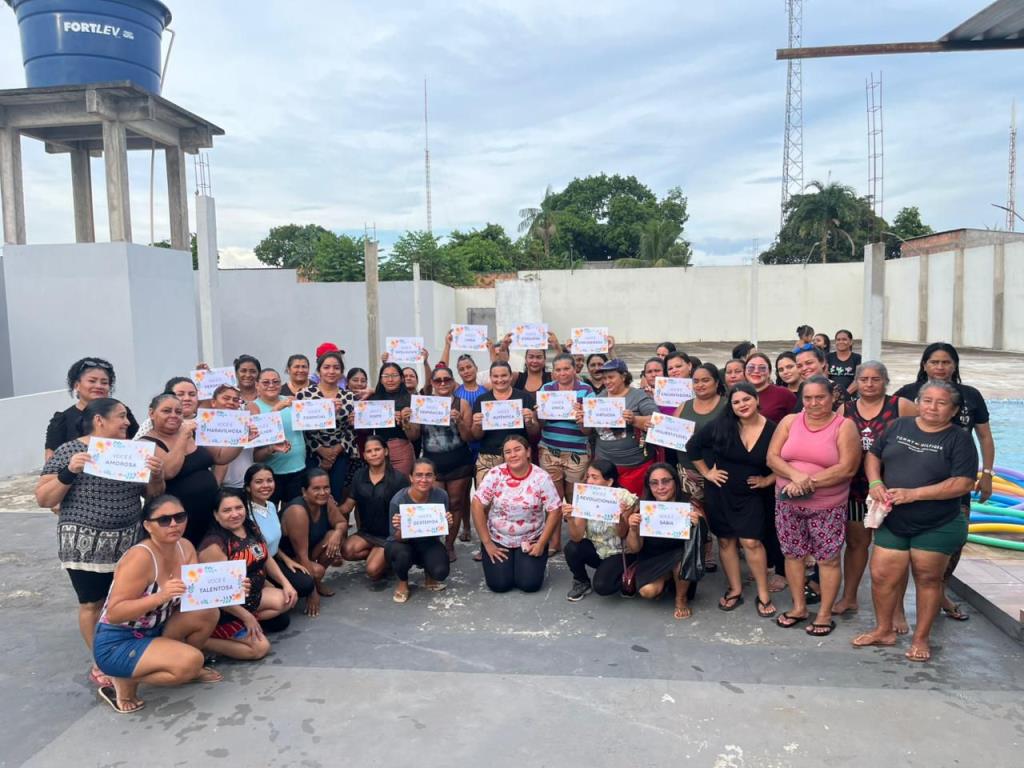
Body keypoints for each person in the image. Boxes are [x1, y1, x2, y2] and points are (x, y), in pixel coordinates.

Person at [36, 398, 165, 690]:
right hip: (85, 546)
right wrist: (69, 471)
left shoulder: (133, 452)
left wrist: (156, 476)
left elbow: (153, 496)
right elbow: (44, 498)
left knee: (125, 600)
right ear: (99, 420)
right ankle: (101, 661)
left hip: (128, 541)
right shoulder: (70, 450)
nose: (127, 422)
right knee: (92, 603)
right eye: (121, 416)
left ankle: (124, 653)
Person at [854, 380, 979, 662]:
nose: (932, 407)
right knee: (881, 575)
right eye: (927, 400)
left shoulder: (959, 438)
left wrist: (914, 494)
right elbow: (873, 455)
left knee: (927, 578)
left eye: (941, 402)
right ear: (918, 402)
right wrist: (875, 481)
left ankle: (921, 639)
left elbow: (963, 483)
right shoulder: (899, 426)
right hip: (893, 519)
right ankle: (884, 630)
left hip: (936, 523)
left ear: (953, 410)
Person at [893, 341, 996, 620]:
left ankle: (940, 591)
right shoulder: (907, 394)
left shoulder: (970, 396)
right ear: (924, 365)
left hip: (957, 478)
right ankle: (898, 605)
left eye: (946, 362)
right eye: (934, 362)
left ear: (955, 365)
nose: (940, 367)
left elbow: (984, 436)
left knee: (954, 540)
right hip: (912, 477)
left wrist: (987, 474)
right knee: (902, 547)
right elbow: (890, 432)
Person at [91, 495, 221, 714]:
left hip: (157, 627)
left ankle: (173, 662)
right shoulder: (141, 557)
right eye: (164, 520)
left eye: (180, 517)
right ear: (147, 525)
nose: (174, 524)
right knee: (190, 663)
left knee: (208, 612)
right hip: (119, 639)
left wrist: (232, 588)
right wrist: (160, 597)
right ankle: (122, 679)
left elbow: (197, 594)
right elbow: (114, 613)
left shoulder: (185, 547)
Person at [767, 375, 860, 636]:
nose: (814, 403)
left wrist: (807, 483)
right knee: (793, 555)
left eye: (820, 397)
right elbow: (772, 458)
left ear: (833, 397)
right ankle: (798, 607)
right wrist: (796, 477)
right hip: (787, 502)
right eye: (808, 398)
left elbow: (847, 468)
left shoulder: (844, 426)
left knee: (828, 559)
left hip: (827, 506)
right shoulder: (789, 421)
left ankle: (824, 614)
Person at [833, 361, 916, 622]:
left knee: (894, 550)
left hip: (892, 487)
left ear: (885, 381)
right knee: (856, 543)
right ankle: (849, 597)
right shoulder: (845, 409)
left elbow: (923, 435)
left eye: (875, 379)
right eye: (864, 379)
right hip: (856, 486)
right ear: (856, 382)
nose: (869, 384)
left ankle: (897, 608)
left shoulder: (901, 406)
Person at [687, 383, 778, 617]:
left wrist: (768, 480)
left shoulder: (773, 429)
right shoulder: (721, 424)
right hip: (720, 492)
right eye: (736, 402)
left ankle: (763, 593)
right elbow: (693, 446)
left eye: (746, 399)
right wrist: (707, 473)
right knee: (726, 541)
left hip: (752, 495)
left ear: (757, 400)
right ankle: (735, 589)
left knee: (752, 542)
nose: (742, 405)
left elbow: (787, 459)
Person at [199, 490, 297, 660]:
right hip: (226, 609)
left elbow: (265, 556)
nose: (235, 514)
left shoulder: (250, 526)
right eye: (227, 510)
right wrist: (246, 617)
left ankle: (247, 626)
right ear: (216, 515)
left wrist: (286, 583)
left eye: (239, 508)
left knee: (288, 599)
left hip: (251, 597)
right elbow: (218, 595)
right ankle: (202, 642)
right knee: (260, 649)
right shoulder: (214, 545)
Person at [140, 392, 242, 545]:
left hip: (209, 510)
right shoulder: (146, 443)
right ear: (151, 413)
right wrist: (182, 437)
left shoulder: (193, 433)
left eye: (178, 412)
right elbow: (169, 471)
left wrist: (242, 439)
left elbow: (220, 457)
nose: (173, 415)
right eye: (166, 411)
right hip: (180, 517)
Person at [472, 435, 562, 593]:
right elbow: (477, 504)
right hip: (499, 537)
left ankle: (528, 560)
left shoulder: (541, 477)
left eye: (517, 450)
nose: (513, 455)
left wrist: (541, 543)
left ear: (528, 452)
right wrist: (487, 543)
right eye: (508, 452)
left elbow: (554, 509)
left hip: (530, 537)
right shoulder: (495, 474)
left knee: (529, 585)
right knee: (499, 585)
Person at [625, 463, 704, 619]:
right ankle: (667, 577)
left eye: (666, 481)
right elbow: (634, 548)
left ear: (675, 481)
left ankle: (681, 598)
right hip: (652, 558)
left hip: (682, 559)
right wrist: (633, 529)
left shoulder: (689, 505)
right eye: (654, 483)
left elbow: (703, 544)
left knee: (681, 560)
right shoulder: (644, 508)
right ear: (649, 486)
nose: (660, 487)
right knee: (647, 592)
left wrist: (698, 525)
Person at [243, 463, 314, 631]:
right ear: (248, 487)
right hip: (255, 568)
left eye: (269, 480)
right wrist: (268, 583)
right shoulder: (245, 514)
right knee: (281, 622)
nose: (265, 485)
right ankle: (241, 620)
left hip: (274, 559)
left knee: (306, 583)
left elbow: (272, 542)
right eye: (259, 482)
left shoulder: (271, 506)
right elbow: (256, 551)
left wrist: (287, 559)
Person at [537, 352, 595, 554]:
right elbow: (540, 423)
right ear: (553, 372)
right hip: (549, 450)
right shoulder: (547, 389)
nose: (562, 373)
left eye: (566, 369)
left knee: (574, 497)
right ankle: (554, 542)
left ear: (574, 369)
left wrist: (583, 418)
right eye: (558, 369)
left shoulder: (586, 391)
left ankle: (578, 540)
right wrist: (539, 412)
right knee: (553, 498)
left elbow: (588, 430)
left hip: (577, 451)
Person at [673, 363, 727, 571]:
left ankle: (730, 549)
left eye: (705, 380)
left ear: (716, 382)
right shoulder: (684, 406)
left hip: (719, 471)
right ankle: (705, 552)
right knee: (697, 515)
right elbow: (671, 433)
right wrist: (656, 427)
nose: (700, 385)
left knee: (719, 514)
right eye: (696, 381)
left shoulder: (726, 405)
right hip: (688, 470)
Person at [418, 366, 475, 560]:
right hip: (432, 464)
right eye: (438, 380)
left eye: (446, 379)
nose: (442, 383)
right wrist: (408, 422)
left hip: (459, 462)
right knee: (435, 505)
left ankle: (449, 545)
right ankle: (434, 545)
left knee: (456, 503)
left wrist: (460, 421)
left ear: (452, 381)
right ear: (432, 383)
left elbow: (469, 437)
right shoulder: (423, 403)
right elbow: (414, 435)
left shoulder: (462, 403)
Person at [561, 459, 637, 601]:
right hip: (597, 548)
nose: (589, 481)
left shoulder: (624, 497)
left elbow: (622, 533)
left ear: (609, 482)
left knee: (603, 587)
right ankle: (581, 581)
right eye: (588, 476)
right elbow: (577, 537)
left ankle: (629, 573)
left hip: (618, 551)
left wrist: (619, 516)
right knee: (571, 548)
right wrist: (570, 518)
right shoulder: (585, 496)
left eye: (594, 477)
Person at [580, 359, 655, 496]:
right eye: (604, 378)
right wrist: (581, 421)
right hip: (605, 468)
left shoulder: (638, 396)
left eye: (611, 377)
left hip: (634, 466)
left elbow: (657, 421)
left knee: (631, 505)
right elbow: (588, 432)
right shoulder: (598, 399)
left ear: (623, 376)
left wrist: (634, 419)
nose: (607, 381)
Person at [280, 469, 348, 617]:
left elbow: (342, 523)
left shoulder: (326, 501)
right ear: (304, 491)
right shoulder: (297, 511)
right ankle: (313, 583)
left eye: (326, 487)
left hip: (308, 552)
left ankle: (316, 581)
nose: (322, 492)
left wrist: (337, 534)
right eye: (316, 488)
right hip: (288, 560)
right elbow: (302, 556)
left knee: (334, 535)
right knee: (318, 571)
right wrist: (312, 593)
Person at [340, 436, 411, 579]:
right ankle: (379, 556)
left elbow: (409, 510)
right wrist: (327, 506)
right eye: (369, 451)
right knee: (346, 551)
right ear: (364, 456)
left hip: (389, 536)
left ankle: (389, 557)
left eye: (377, 449)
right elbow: (347, 506)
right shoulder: (359, 475)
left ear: (386, 451)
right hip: (367, 533)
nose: (373, 454)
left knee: (372, 571)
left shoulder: (399, 479)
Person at [386, 458, 455, 603]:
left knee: (441, 572)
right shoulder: (398, 500)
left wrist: (447, 524)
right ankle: (403, 582)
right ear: (411, 477)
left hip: (428, 541)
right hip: (403, 543)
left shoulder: (441, 495)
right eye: (419, 475)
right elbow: (396, 537)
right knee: (401, 554)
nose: (424, 479)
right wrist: (401, 528)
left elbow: (439, 531)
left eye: (428, 475)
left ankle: (429, 575)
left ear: (434, 477)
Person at [45, 357, 139, 460]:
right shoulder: (61, 420)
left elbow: (139, 444)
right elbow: (51, 461)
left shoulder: (123, 412)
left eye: (104, 383)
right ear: (77, 385)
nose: (99, 386)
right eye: (92, 381)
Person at [295, 351, 357, 502]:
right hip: (313, 453)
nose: (331, 371)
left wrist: (335, 451)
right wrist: (321, 450)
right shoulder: (304, 395)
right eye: (326, 367)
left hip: (340, 454)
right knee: (313, 497)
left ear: (341, 372)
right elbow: (301, 428)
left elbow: (351, 429)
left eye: (336, 368)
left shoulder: (349, 396)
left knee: (335, 496)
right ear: (319, 370)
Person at [470, 360, 539, 484]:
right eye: (495, 376)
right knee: (486, 495)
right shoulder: (482, 400)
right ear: (490, 377)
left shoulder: (524, 398)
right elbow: (476, 436)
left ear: (511, 376)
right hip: (489, 457)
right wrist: (477, 425)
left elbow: (534, 433)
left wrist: (530, 422)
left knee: (519, 494)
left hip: (517, 456)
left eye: (504, 375)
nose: (500, 380)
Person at [251, 368, 307, 505]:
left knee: (295, 511)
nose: (271, 385)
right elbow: (259, 436)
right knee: (270, 510)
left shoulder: (291, 401)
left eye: (276, 382)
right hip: (270, 473)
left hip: (298, 467)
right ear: (257, 385)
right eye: (266, 382)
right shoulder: (253, 406)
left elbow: (311, 421)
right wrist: (276, 409)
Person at [362, 362, 417, 476]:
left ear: (401, 378)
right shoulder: (373, 399)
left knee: (401, 483)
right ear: (381, 380)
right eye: (386, 376)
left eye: (394, 376)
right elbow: (366, 430)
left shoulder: (411, 400)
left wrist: (405, 422)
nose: (390, 380)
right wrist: (358, 419)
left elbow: (415, 436)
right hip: (378, 450)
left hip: (401, 450)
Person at [744, 352, 796, 423]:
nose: (756, 371)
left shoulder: (784, 394)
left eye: (762, 368)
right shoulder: (738, 394)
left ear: (769, 372)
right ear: (745, 371)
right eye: (751, 367)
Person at [827, 330, 861, 399]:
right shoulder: (828, 357)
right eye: (838, 340)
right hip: (831, 396)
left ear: (851, 342)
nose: (841, 342)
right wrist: (834, 394)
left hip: (850, 397)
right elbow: (824, 377)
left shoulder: (857, 358)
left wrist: (845, 394)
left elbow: (858, 379)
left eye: (844, 339)